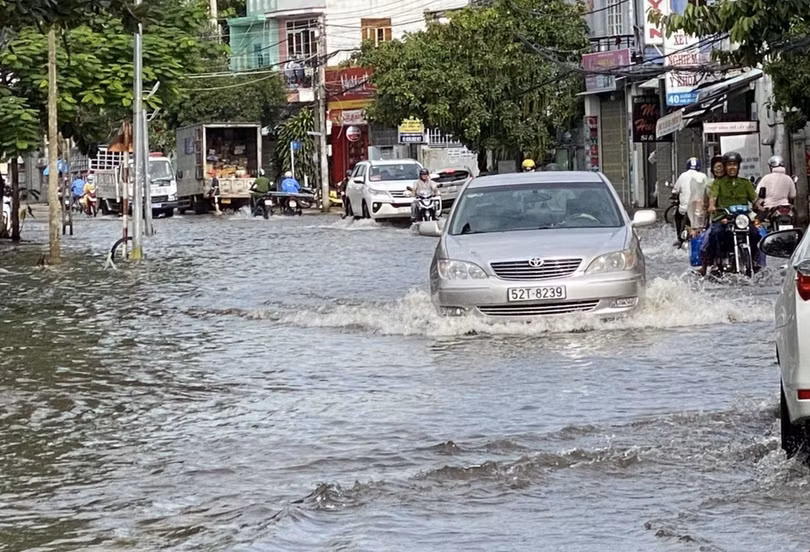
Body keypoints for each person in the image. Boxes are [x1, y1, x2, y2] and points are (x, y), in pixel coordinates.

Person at [698, 151, 763, 276]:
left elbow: (754, 199)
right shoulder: (718, 183)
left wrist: (760, 205)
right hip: (723, 218)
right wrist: (712, 206)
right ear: (725, 167)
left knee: (755, 234)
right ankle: (716, 263)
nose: (732, 167)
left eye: (734, 164)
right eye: (729, 165)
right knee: (715, 234)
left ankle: (754, 262)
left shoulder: (745, 183)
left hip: (742, 219)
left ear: (738, 166)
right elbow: (713, 196)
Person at [671, 157, 708, 247]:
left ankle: (679, 238)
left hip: (685, 208)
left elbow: (675, 190)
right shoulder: (703, 176)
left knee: (677, 216)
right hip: (700, 208)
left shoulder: (683, 175)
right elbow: (708, 190)